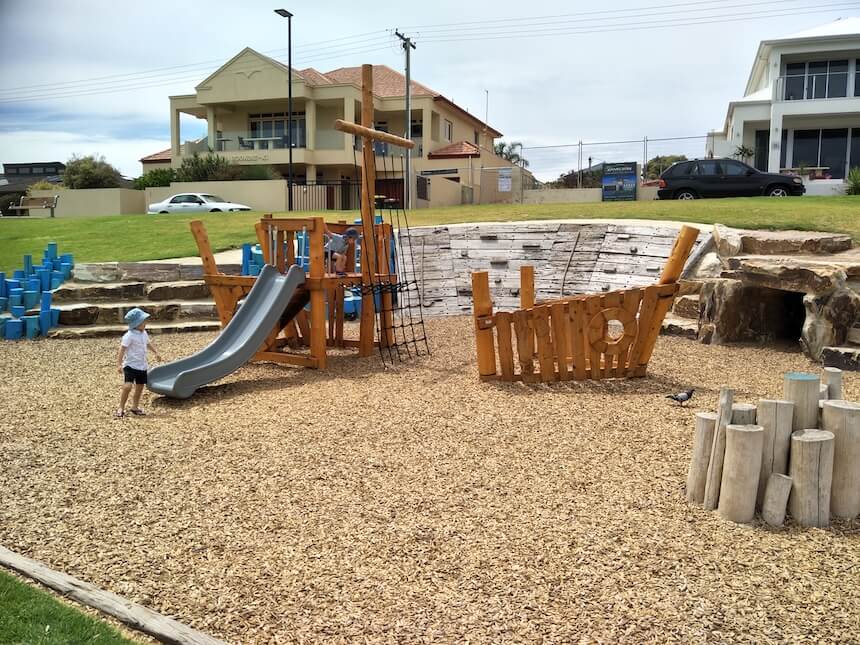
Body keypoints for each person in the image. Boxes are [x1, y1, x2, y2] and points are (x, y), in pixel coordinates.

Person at [115, 307, 161, 418]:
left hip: (142, 366)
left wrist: (156, 352)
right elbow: (122, 350)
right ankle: (121, 407)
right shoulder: (129, 335)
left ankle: (135, 407)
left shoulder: (144, 333)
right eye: (143, 321)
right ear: (136, 323)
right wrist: (119, 364)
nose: (145, 323)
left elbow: (148, 343)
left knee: (140, 387)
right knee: (128, 386)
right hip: (130, 365)